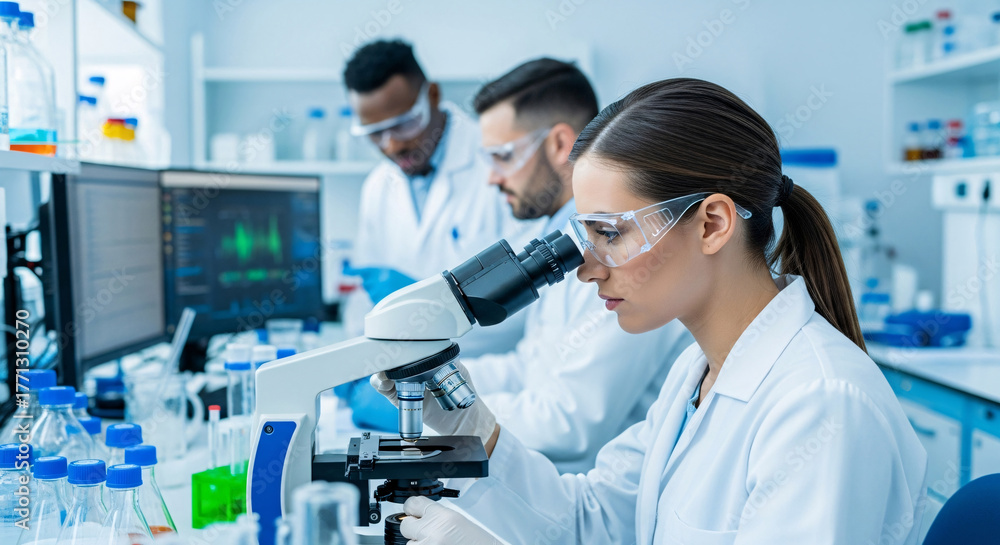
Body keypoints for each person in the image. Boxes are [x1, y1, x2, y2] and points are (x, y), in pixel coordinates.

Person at [372, 78, 929, 544]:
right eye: (585, 236)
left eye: (610, 233)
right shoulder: (697, 375)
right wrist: (473, 429)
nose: (587, 269)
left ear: (712, 224)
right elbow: (591, 521)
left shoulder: (820, 405)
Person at [461, 58, 692, 472]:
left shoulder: (640, 257)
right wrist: (433, 385)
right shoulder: (564, 240)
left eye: (503, 156)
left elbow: (568, 421)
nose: (492, 178)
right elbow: (533, 367)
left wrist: (449, 416)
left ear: (558, 144)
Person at [336, 40, 536, 430]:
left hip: (490, 383)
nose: (392, 144)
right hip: (402, 382)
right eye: (375, 133)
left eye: (403, 124)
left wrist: (439, 313)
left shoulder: (496, 164)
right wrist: (356, 360)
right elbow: (363, 300)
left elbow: (529, 303)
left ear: (431, 95)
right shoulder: (378, 187)